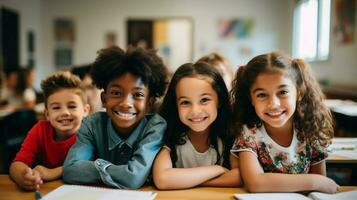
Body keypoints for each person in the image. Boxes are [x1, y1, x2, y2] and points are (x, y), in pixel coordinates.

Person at [230, 51, 339, 193]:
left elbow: (320, 190)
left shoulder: (310, 129)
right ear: (251, 99)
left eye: (283, 92)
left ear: (299, 93)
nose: (273, 104)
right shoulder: (249, 132)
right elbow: (255, 183)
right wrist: (313, 181)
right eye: (262, 95)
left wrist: (317, 182)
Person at [63, 46, 169, 189]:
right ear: (104, 99)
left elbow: (133, 177)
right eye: (116, 93)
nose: (126, 103)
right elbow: (70, 170)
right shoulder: (92, 124)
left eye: (138, 95)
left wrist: (97, 166)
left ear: (149, 103)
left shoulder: (155, 126)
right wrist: (120, 173)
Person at [153, 62, 241, 190]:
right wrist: (217, 169)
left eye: (204, 100)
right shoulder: (170, 137)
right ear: (175, 105)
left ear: (220, 101)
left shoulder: (229, 134)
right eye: (185, 102)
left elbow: (239, 176)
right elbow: (163, 179)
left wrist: (187, 181)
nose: (195, 110)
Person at [9, 71, 90, 190]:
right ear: (47, 114)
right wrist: (24, 177)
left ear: (85, 110)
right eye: (56, 108)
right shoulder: (40, 130)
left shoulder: (90, 132)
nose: (65, 113)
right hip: (45, 190)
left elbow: (89, 167)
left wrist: (51, 172)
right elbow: (17, 164)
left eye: (72, 106)